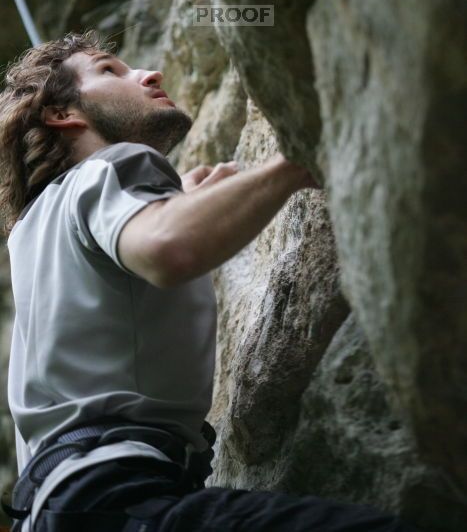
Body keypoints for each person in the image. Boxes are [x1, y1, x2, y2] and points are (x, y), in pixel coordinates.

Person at [0, 31, 419, 531]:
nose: (148, 74)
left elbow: (138, 259)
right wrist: (302, 156)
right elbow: (169, 247)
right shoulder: (111, 166)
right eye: (110, 70)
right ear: (63, 114)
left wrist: (178, 203)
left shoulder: (32, 230)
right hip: (118, 495)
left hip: (63, 504)